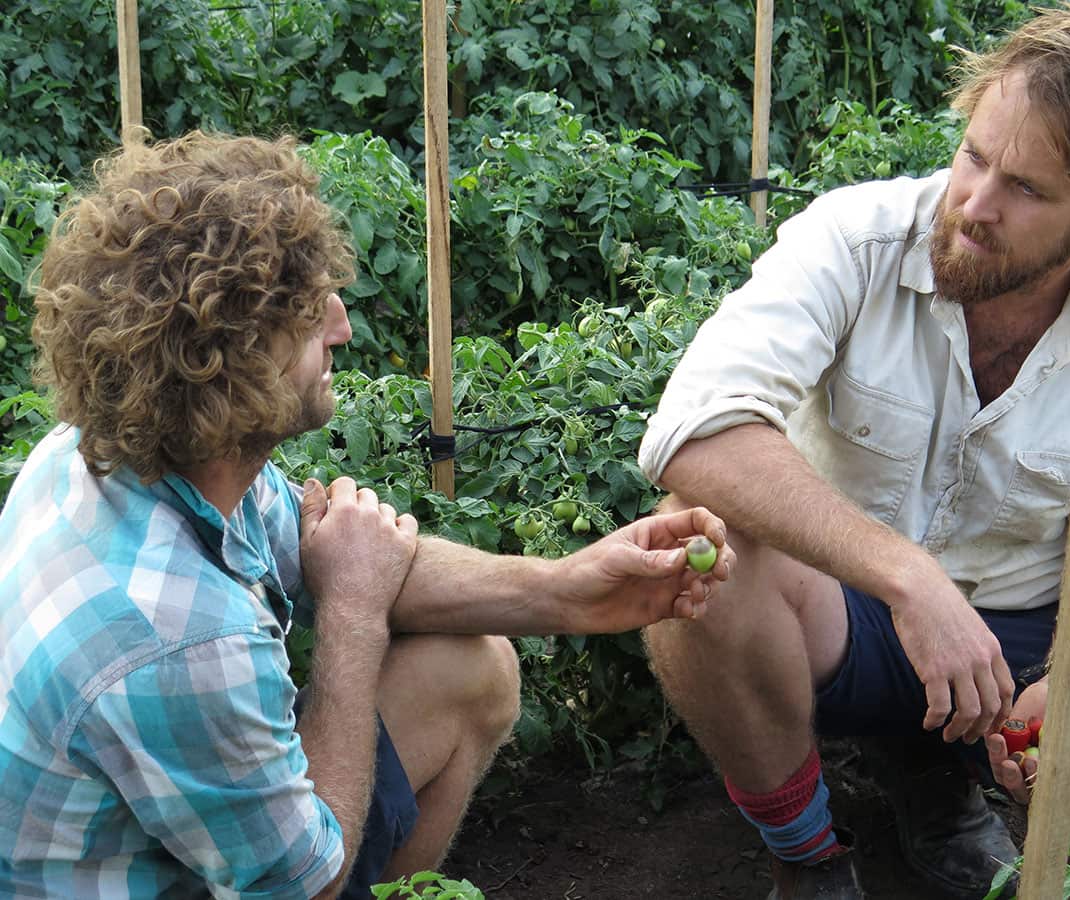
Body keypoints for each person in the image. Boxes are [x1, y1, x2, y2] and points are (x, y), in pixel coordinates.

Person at [0, 131, 734, 900]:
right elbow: (301, 885)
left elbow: (341, 554)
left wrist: (569, 589)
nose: (342, 325)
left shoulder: (103, 451)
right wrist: (352, 612)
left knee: (469, 669)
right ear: (232, 361)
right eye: (307, 313)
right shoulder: (178, 634)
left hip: (145, 829)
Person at [638, 7, 1070, 899]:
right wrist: (908, 577)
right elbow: (696, 432)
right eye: (975, 157)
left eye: (1027, 189)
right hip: (839, 614)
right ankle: (809, 853)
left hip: (1029, 638)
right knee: (695, 552)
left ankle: (935, 773)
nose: (975, 204)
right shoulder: (855, 241)